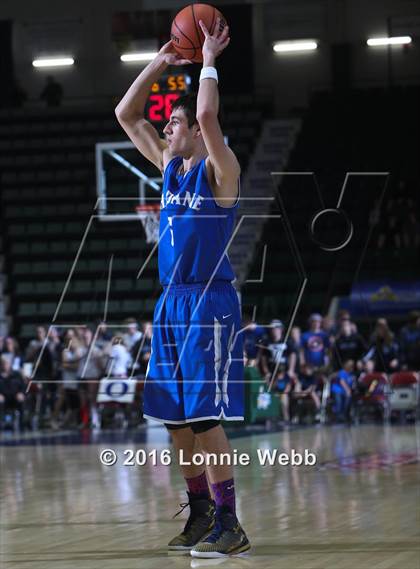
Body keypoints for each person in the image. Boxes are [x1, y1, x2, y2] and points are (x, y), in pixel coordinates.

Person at [115, 19, 250, 558]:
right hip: (171, 303)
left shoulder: (221, 171)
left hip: (210, 302)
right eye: (168, 123)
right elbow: (126, 114)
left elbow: (206, 112)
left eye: (174, 123)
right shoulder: (169, 169)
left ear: (195, 134)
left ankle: (231, 523)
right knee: (176, 421)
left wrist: (209, 57)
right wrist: (159, 63)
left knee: (205, 417)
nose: (168, 128)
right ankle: (200, 514)